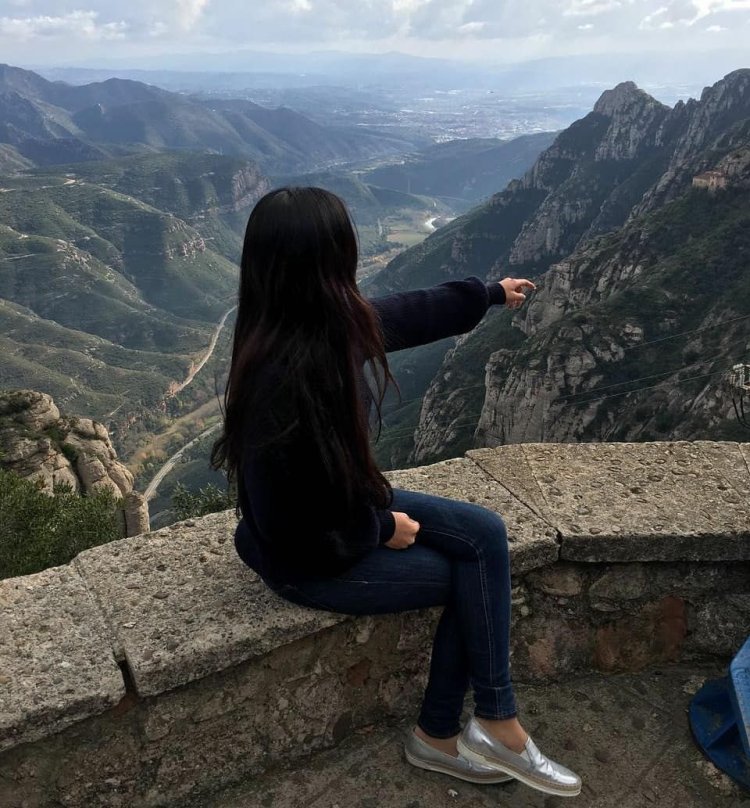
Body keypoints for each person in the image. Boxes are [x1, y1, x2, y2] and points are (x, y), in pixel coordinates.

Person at [212, 186, 582, 798]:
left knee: (485, 533)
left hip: (348, 510)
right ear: (328, 264)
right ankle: (462, 732)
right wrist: (379, 530)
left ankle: (485, 722)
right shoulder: (282, 378)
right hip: (309, 558)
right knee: (473, 578)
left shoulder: (320, 327)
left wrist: (488, 295)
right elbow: (286, 522)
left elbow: (409, 312)